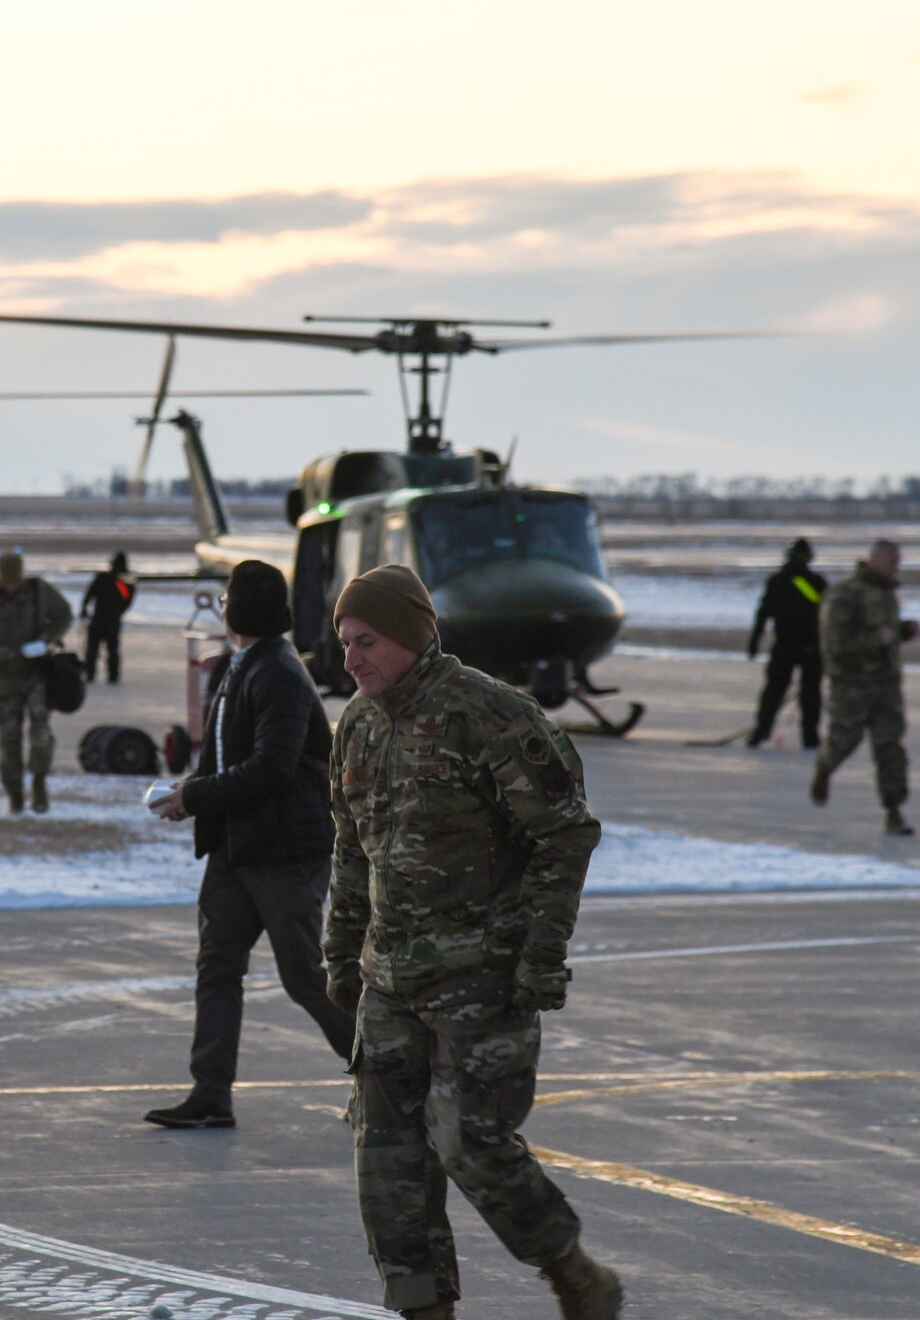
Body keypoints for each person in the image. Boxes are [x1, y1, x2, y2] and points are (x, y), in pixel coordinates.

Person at [324, 564, 623, 1320]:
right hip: (388, 982)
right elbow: (351, 848)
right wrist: (340, 953)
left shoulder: (488, 716)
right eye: (344, 643)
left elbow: (564, 837)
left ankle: (573, 1272)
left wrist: (540, 955)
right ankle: (424, 1310)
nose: (351, 659)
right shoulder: (357, 724)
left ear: (413, 638)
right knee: (386, 1164)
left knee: (470, 1146)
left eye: (367, 641)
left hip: (480, 983)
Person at [144, 560, 354, 1130]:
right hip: (238, 848)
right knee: (217, 968)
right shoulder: (240, 667)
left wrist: (195, 795)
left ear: (239, 608)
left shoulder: (280, 673)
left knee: (305, 976)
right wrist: (190, 790)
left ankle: (389, 1078)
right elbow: (222, 754)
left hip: (286, 851)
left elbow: (272, 769)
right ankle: (211, 1094)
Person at [812, 539, 920, 835]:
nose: (896, 569)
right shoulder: (845, 594)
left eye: (898, 563)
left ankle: (894, 812)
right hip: (853, 685)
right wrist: (876, 640)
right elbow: (835, 644)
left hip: (887, 686)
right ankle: (825, 766)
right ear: (874, 560)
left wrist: (903, 631)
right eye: (891, 563)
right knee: (845, 739)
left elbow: (886, 635)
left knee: (890, 748)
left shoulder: (887, 594)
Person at [0, 549, 72, 813]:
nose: (11, 587)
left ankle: (40, 785)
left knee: (41, 735)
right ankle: (15, 795)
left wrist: (46, 640)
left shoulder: (38, 592)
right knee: (9, 741)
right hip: (3, 683)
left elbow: (63, 615)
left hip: (36, 677)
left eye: (15, 582)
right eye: (6, 582)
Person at [747, 537, 826, 748]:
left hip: (787, 645)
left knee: (774, 691)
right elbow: (827, 614)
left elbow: (763, 615)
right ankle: (809, 737)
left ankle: (762, 731)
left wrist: (755, 641)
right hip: (809, 647)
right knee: (809, 695)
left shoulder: (778, 581)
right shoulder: (815, 583)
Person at [78, 550, 135, 683]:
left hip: (99, 618)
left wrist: (84, 608)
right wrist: (119, 611)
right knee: (112, 649)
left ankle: (90, 674)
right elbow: (128, 599)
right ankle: (113, 676)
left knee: (93, 648)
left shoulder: (104, 577)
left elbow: (89, 594)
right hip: (112, 619)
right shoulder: (124, 581)